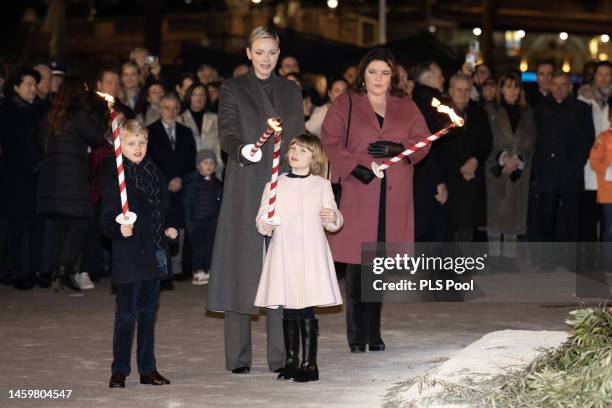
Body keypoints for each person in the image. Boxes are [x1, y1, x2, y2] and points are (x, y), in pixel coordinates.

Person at [207, 26, 305, 375]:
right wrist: (239, 149)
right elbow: (228, 130)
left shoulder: (292, 90)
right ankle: (238, 357)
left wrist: (304, 173)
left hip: (283, 184)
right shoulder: (234, 88)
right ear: (248, 53)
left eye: (272, 52)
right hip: (246, 183)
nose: (266, 58)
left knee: (281, 267)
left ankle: (280, 356)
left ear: (279, 54)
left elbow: (300, 139)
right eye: (259, 52)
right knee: (241, 263)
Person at [322, 47, 430, 353]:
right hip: (360, 190)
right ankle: (356, 334)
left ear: (393, 75)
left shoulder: (405, 104)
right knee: (358, 266)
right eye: (373, 72)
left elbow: (423, 143)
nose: (379, 78)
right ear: (363, 74)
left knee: (379, 267)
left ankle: (374, 331)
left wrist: (400, 149)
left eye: (385, 72)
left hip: (393, 194)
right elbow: (330, 140)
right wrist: (354, 168)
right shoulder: (346, 102)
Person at [254, 134, 343, 382]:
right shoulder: (275, 184)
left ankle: (310, 363)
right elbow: (262, 217)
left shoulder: (322, 184)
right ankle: (292, 359)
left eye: (303, 150)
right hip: (285, 250)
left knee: (306, 306)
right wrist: (266, 224)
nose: (295, 153)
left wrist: (332, 217)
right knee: (290, 305)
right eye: (293, 148)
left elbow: (335, 220)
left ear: (313, 157)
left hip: (312, 251)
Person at [100, 119, 177, 388]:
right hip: (130, 256)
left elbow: (166, 209)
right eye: (131, 143)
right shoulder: (114, 175)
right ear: (120, 145)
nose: (138, 148)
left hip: (153, 252)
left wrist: (169, 228)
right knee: (126, 316)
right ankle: (119, 369)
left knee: (147, 314)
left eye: (142, 142)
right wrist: (118, 229)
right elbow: (106, 220)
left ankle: (148, 368)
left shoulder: (154, 172)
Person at [36, 75, 109, 291]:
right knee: (81, 222)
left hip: (51, 179)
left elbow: (42, 142)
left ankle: (53, 271)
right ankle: (63, 270)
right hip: (73, 178)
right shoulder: (79, 115)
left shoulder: (51, 115)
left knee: (58, 227)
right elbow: (96, 138)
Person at [533, 71, 594, 242]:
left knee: (571, 221)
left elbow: (586, 141)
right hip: (547, 173)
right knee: (547, 219)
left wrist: (574, 165)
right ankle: (547, 261)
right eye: (555, 84)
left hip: (571, 173)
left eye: (563, 85)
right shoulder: (540, 109)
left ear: (570, 87)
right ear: (550, 86)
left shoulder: (581, 109)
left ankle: (571, 261)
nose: (559, 89)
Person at [1, 66, 47, 290]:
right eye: (27, 84)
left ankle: (36, 269)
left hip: (38, 176)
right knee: (18, 226)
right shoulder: (8, 111)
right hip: (16, 177)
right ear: (16, 87)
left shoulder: (41, 109)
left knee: (38, 224)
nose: (32, 88)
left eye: (34, 84)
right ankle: (19, 271)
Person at [484, 73, 536, 265]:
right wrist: (503, 159)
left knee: (514, 211)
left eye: (516, 86)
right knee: (496, 212)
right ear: (501, 89)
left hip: (519, 168)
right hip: (495, 167)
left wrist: (518, 159)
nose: (512, 90)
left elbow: (531, 140)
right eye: (508, 86)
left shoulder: (528, 112)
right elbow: (487, 139)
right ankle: (495, 258)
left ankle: (509, 258)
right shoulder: (490, 110)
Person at [147, 94, 197, 279]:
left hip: (181, 186)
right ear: (160, 109)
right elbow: (149, 160)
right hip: (159, 186)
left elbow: (192, 160)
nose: (170, 111)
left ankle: (176, 267)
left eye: (174, 108)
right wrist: (165, 180)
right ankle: (159, 266)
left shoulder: (186, 131)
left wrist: (180, 179)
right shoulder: (150, 131)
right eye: (166, 107)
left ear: (178, 110)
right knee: (160, 223)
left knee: (180, 225)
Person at [439, 72, 493, 242]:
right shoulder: (441, 113)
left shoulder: (479, 113)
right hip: (449, 177)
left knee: (467, 228)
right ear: (450, 91)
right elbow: (440, 146)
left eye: (466, 90)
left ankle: (464, 267)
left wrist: (475, 160)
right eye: (459, 89)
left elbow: (487, 141)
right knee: (447, 228)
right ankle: (446, 267)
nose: (463, 93)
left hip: (472, 177)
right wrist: (460, 166)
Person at [410, 61, 449, 242]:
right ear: (428, 78)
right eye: (439, 75)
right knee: (424, 226)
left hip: (426, 174)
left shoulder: (431, 101)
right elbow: (428, 146)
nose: (443, 79)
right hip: (426, 176)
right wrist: (438, 180)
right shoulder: (427, 104)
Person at [577, 61, 611, 242]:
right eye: (600, 74)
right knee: (589, 216)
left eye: (608, 75)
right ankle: (587, 262)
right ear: (594, 76)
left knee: (608, 219)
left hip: (610, 166)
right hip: (590, 164)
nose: (604, 78)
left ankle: (605, 262)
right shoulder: (584, 98)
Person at [183, 149, 222, 285]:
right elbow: (187, 204)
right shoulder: (192, 183)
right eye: (205, 162)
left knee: (210, 247)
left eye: (212, 163)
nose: (209, 166)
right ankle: (198, 271)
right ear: (198, 165)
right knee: (198, 248)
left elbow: (219, 202)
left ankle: (208, 270)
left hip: (212, 222)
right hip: (196, 222)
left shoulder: (217, 183)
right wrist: (189, 223)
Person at [177, 82, 223, 177]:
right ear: (189, 96)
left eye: (202, 94)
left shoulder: (215, 118)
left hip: (214, 169)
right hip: (190, 171)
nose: (199, 98)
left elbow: (219, 144)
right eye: (195, 94)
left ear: (206, 97)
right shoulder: (180, 120)